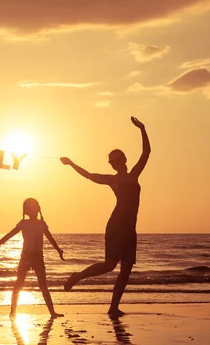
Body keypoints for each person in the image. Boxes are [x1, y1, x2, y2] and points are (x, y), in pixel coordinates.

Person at [61, 116, 150, 317]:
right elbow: (90, 175)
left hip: (130, 227)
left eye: (117, 160)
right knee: (110, 265)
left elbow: (146, 153)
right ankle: (78, 276)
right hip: (116, 225)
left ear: (124, 160)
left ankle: (113, 308)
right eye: (112, 162)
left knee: (126, 270)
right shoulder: (113, 180)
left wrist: (142, 129)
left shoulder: (134, 174)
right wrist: (71, 163)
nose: (114, 164)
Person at [0, 198, 65, 319]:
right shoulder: (24, 223)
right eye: (29, 207)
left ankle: (52, 312)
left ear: (38, 208)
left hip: (38, 257)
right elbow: (10, 234)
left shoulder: (42, 224)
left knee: (43, 286)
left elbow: (50, 238)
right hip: (26, 256)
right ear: (26, 211)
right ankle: (12, 312)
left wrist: (58, 250)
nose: (33, 209)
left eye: (34, 206)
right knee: (19, 284)